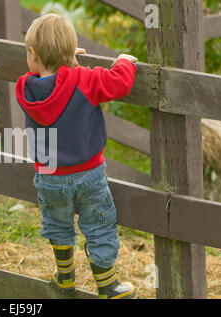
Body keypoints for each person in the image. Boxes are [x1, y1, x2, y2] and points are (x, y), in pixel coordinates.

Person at [15, 13, 138, 299]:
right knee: (98, 224)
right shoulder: (85, 79)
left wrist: (63, 60)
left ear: (32, 54)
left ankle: (65, 278)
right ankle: (108, 286)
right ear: (72, 52)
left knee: (57, 224)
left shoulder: (26, 88)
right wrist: (123, 62)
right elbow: (118, 83)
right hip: (89, 174)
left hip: (49, 176)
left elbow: (49, 81)